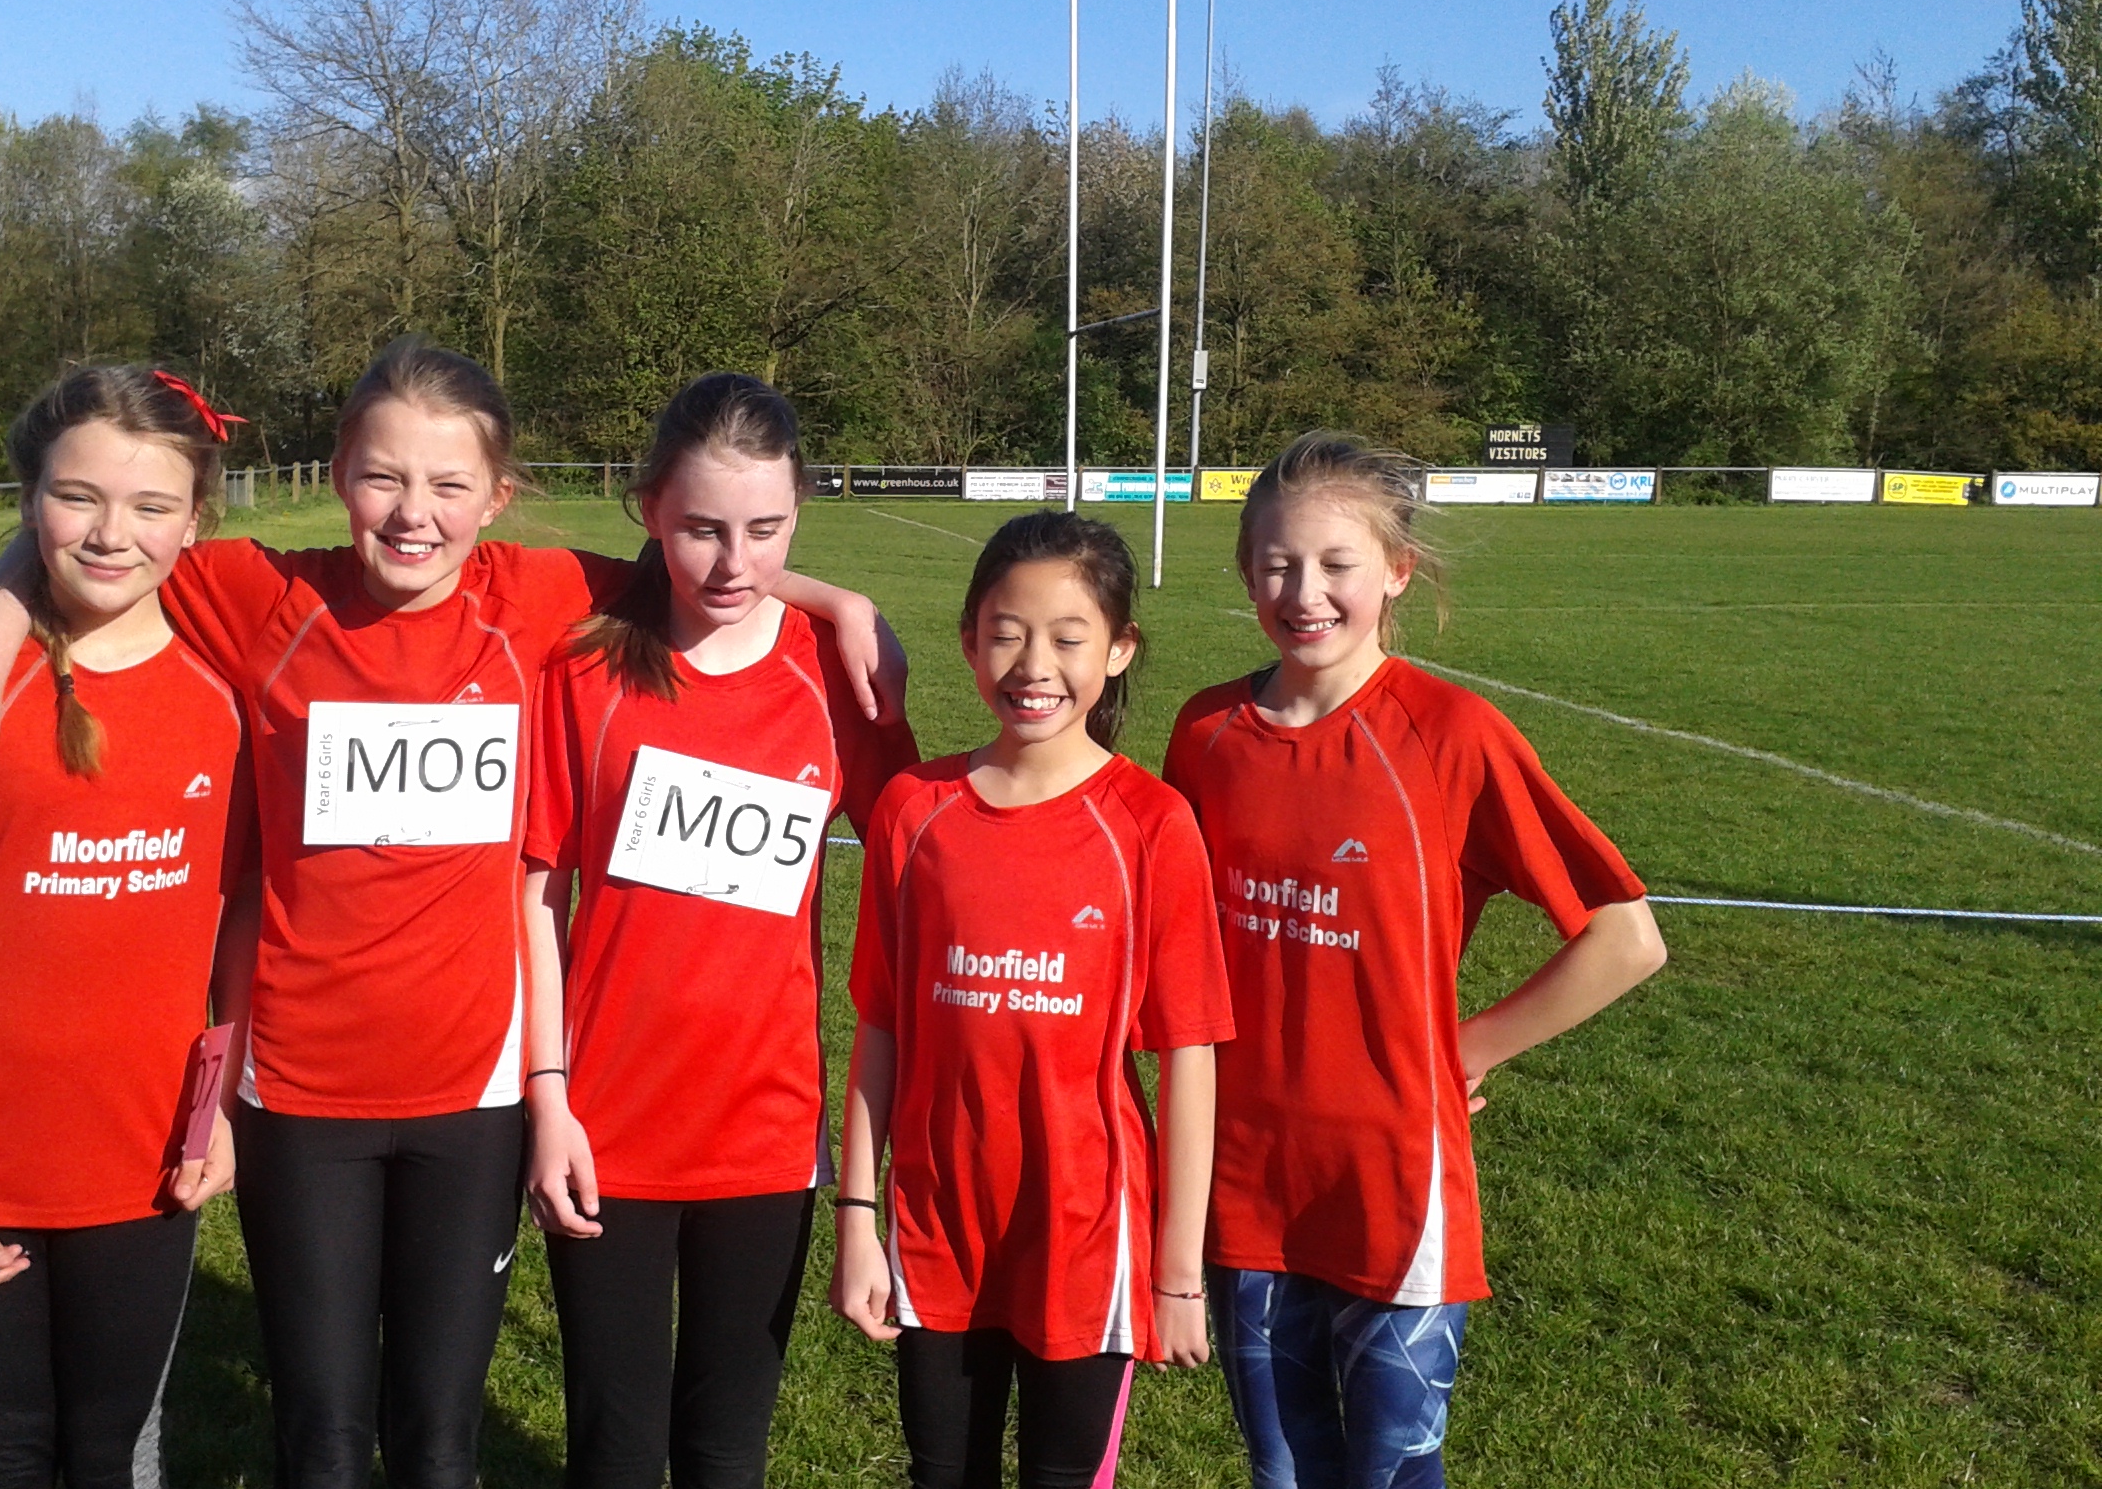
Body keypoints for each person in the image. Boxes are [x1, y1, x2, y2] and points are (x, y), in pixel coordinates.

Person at [0, 337, 904, 1489]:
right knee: (323, 1441)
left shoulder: (535, 598)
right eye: (383, 477)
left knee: (436, 1443)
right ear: (338, 474)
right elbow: (97, 532)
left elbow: (710, 558)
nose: (413, 514)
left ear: (497, 499)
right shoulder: (265, 596)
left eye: (448, 485)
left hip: (473, 1099)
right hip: (297, 1093)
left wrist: (836, 599)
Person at [1163, 431, 1668, 1488]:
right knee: (1283, 1471)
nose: (1304, 593)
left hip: (1393, 1178)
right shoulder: (1206, 732)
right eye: (1276, 564)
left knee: (1391, 1474)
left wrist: (1463, 1051)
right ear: (1246, 572)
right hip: (1243, 1175)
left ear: (1396, 571)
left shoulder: (1450, 734)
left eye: (1336, 564)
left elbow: (1624, 937)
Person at [0, 365, 254, 1489]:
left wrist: (218, 1106)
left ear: (196, 521)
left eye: (151, 506)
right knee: (3, 1456)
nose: (112, 534)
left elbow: (237, 921)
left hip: (145, 1166)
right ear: (29, 503)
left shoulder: (226, 699)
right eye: (78, 497)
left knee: (114, 1453)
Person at [517, 373, 919, 1489]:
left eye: (766, 529)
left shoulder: (835, 676)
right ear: (650, 509)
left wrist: (840, 609)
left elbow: (923, 857)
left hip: (765, 1131)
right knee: (613, 1448)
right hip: (605, 1125)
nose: (735, 563)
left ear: (798, 517)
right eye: (702, 528)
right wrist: (548, 1099)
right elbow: (537, 897)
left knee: (726, 1450)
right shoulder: (586, 668)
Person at [833, 511, 1233, 1489]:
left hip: (1086, 1233)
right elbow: (880, 1028)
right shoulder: (914, 811)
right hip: (936, 1228)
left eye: (1067, 638)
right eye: (1006, 634)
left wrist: (1179, 1273)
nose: (1033, 666)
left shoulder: (1151, 825)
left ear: (1119, 649)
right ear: (969, 640)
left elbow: (1190, 1054)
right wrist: (855, 1218)